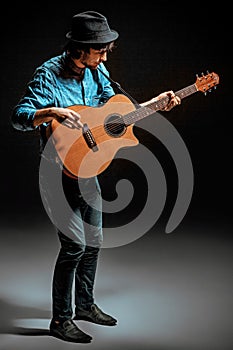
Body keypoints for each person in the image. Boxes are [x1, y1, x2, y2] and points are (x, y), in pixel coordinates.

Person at [11, 10, 181, 344]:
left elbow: (116, 111)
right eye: (99, 50)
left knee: (95, 241)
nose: (104, 56)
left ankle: (85, 305)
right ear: (79, 47)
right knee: (74, 245)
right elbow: (18, 117)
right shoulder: (48, 74)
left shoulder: (97, 70)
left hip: (89, 167)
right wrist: (50, 111)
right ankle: (61, 319)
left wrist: (155, 104)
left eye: (105, 51)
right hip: (57, 169)